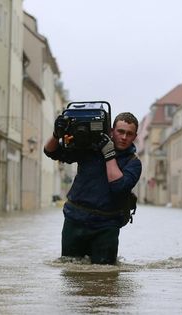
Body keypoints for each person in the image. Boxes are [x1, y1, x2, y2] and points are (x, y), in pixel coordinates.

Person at [44, 112, 141, 265]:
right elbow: (51, 152)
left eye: (129, 134)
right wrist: (57, 134)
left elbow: (118, 187)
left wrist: (109, 154)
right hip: (75, 221)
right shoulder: (89, 147)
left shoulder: (133, 163)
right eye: (120, 132)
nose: (124, 137)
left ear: (134, 136)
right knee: (71, 272)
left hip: (107, 226)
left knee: (104, 277)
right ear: (111, 131)